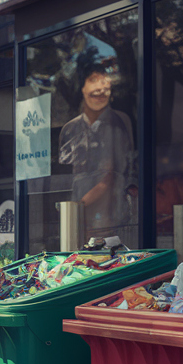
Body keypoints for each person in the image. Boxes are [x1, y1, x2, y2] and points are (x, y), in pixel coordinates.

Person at [58, 61, 135, 239]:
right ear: (82, 88)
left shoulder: (118, 122)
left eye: (105, 82)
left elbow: (109, 176)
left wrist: (77, 207)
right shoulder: (69, 129)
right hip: (78, 218)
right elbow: (66, 176)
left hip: (109, 217)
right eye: (94, 80)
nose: (101, 88)